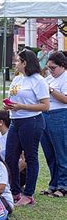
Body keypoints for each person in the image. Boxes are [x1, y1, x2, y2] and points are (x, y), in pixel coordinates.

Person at [4, 48, 49, 206]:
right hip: (15, 121)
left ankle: (28, 194)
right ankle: (15, 191)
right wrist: (9, 105)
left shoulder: (38, 80)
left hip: (31, 121)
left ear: (25, 63)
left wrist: (21, 106)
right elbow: (14, 98)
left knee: (30, 157)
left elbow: (45, 106)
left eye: (17, 61)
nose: (15, 63)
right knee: (10, 157)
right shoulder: (17, 79)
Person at [40, 51, 67, 197]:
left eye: (53, 67)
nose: (51, 70)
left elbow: (65, 99)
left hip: (60, 115)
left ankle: (64, 185)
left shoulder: (65, 78)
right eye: (49, 67)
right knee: (49, 153)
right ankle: (53, 183)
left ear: (62, 66)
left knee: (61, 152)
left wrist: (50, 89)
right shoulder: (49, 78)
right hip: (45, 115)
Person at [0, 109, 27, 189]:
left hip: (15, 174)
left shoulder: (12, 136)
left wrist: (10, 174)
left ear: (1, 122)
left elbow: (25, 161)